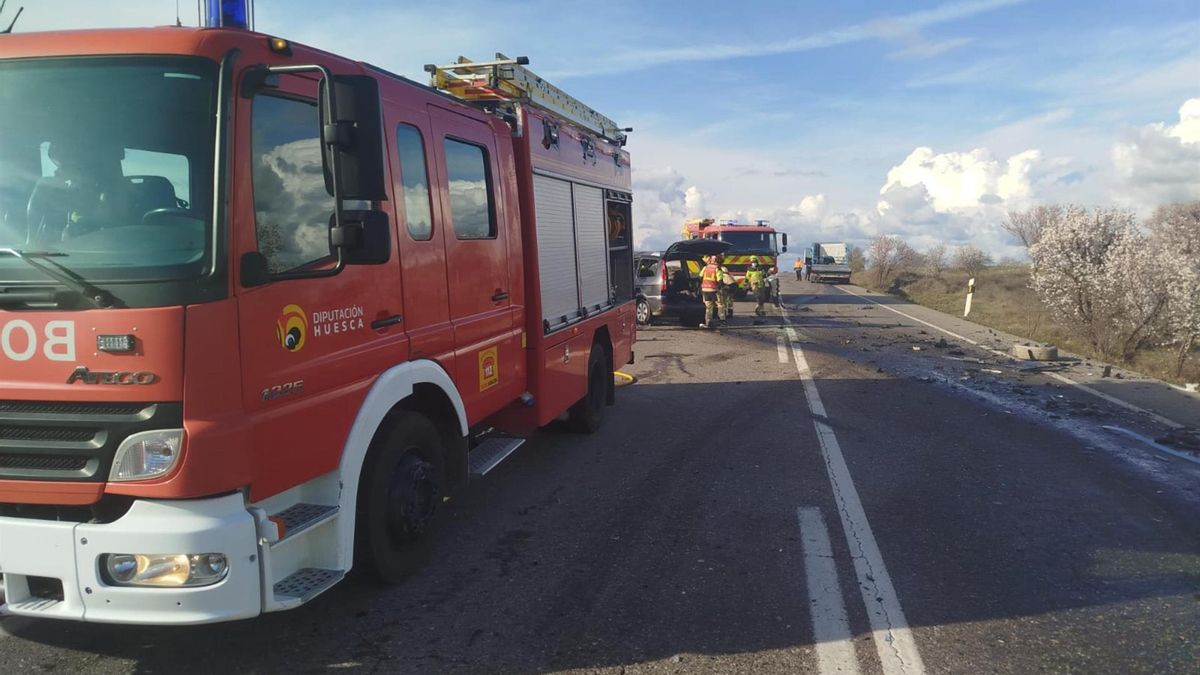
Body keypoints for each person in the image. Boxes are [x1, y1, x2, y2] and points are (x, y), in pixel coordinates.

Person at [698, 254, 721, 328]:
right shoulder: (717, 269)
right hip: (713, 290)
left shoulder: (705, 267)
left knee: (708, 306)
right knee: (719, 304)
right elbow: (720, 281)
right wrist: (719, 288)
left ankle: (708, 321)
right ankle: (721, 320)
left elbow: (700, 277)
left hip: (705, 290)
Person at [717, 254, 735, 322]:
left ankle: (723, 316)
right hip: (732, 285)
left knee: (722, 301)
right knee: (729, 300)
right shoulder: (724, 268)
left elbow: (720, 280)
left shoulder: (719, 269)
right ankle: (729, 313)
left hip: (727, 285)